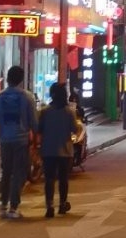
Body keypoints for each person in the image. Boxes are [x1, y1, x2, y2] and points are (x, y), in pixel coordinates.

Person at [0, 65, 38, 219]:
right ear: (21, 79)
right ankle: (13, 207)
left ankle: (3, 205)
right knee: (19, 173)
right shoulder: (27, 97)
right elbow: (34, 122)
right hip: (21, 140)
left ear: (7, 78)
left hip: (5, 140)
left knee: (6, 172)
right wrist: (37, 135)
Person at [38, 83, 78, 218]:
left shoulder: (45, 111)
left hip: (48, 150)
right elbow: (74, 129)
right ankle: (62, 204)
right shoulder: (69, 112)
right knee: (63, 179)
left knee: (49, 179)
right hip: (65, 151)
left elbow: (39, 129)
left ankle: (49, 206)